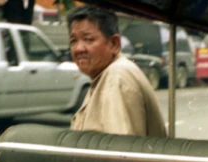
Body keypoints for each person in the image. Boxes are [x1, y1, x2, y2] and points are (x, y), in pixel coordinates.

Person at [67, 6, 167, 136]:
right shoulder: (104, 76)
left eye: (88, 39)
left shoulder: (117, 77)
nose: (79, 48)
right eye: (73, 41)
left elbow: (119, 151)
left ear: (114, 44)